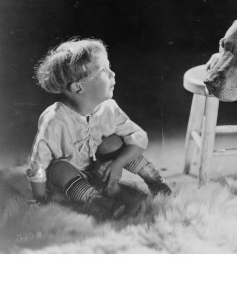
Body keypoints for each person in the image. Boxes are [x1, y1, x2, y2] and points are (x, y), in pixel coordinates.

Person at [26, 38, 172, 219]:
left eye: (109, 67)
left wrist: (118, 164)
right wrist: (39, 199)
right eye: (104, 71)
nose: (113, 74)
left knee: (115, 142)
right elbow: (38, 165)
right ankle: (99, 202)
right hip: (71, 182)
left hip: (101, 171)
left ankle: (156, 183)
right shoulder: (54, 120)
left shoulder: (109, 108)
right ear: (79, 87)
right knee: (57, 168)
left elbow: (138, 136)